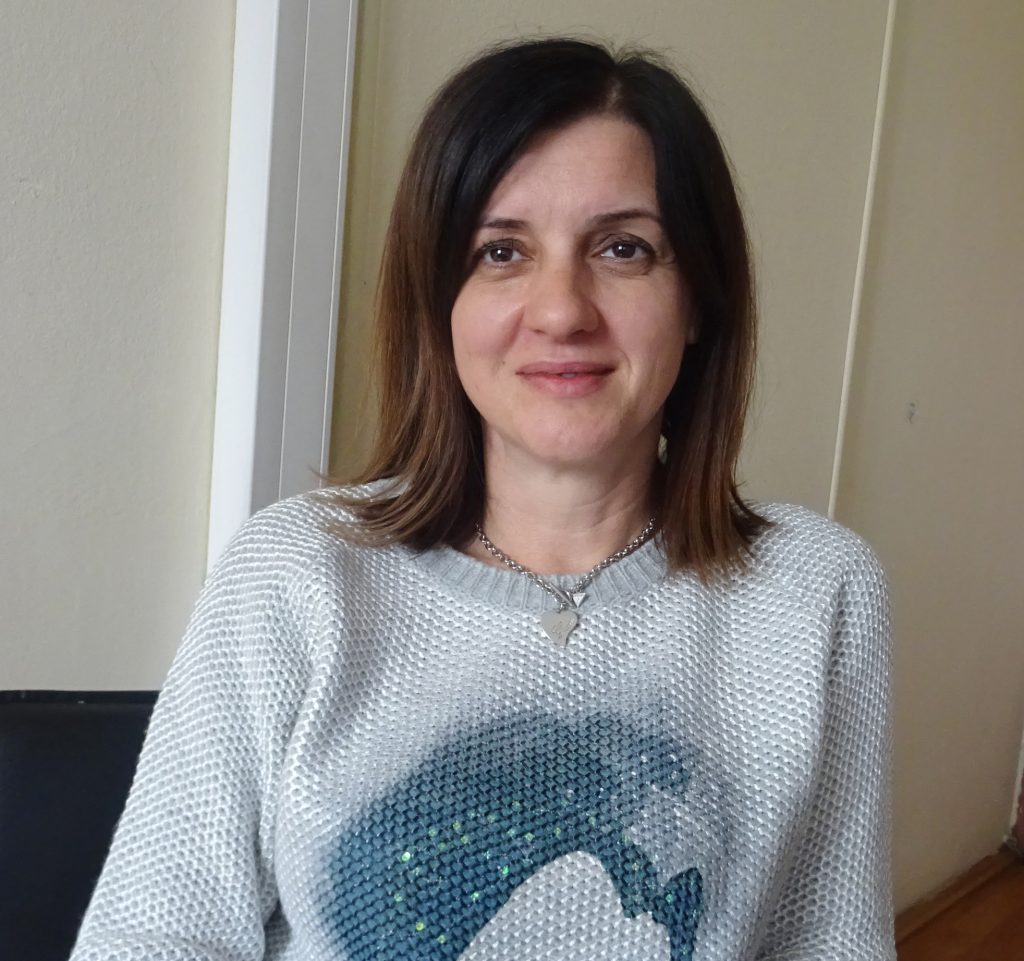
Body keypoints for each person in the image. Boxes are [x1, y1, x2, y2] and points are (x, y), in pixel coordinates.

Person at [70, 37, 895, 961]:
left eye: (623, 248)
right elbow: (154, 935)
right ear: (441, 303)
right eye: (501, 251)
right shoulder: (294, 573)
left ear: (698, 296)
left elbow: (831, 943)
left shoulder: (818, 591)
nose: (562, 310)